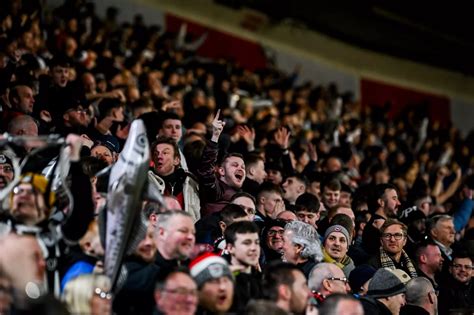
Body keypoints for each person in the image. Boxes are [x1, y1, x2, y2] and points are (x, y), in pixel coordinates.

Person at [197, 110, 246, 217]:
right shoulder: (216, 189)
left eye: (243, 167)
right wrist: (215, 137)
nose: (241, 169)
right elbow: (206, 170)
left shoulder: (242, 196)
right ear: (221, 171)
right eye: (235, 165)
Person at [149, 136, 200, 222]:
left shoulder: (189, 182)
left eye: (165, 153)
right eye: (156, 153)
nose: (159, 156)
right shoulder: (146, 181)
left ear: (176, 160)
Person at [224, 221, 262, 312]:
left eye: (257, 243)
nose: (254, 248)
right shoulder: (222, 281)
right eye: (247, 243)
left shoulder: (264, 279)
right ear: (230, 248)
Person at [362, 183, 402, 255]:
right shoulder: (374, 228)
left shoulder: (380, 225)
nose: (399, 203)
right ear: (381, 202)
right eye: (394, 198)